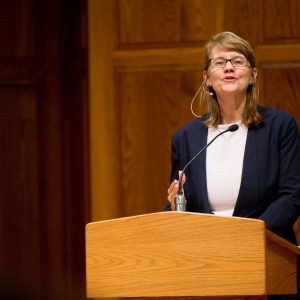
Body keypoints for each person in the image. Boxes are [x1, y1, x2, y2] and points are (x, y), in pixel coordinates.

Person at [166, 32, 300, 298]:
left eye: (237, 61)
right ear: (206, 78)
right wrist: (174, 207)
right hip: (207, 264)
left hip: (266, 259)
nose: (228, 67)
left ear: (253, 75)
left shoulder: (279, 127)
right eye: (219, 62)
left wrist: (247, 239)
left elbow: (293, 195)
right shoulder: (186, 138)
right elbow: (182, 200)